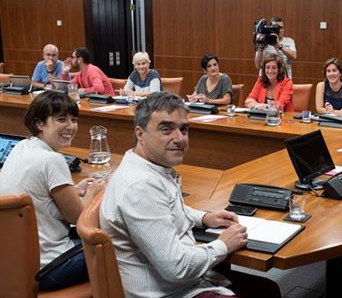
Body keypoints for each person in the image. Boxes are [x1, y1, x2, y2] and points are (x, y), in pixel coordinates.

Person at [100, 92, 280, 297]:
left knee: (267, 290)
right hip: (169, 291)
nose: (179, 139)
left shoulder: (146, 167)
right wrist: (223, 245)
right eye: (166, 129)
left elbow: (164, 207)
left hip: (180, 282)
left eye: (184, 129)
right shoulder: (140, 187)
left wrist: (204, 218)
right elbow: (176, 268)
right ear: (140, 134)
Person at [0, 90, 105, 291]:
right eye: (61, 119)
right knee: (119, 240)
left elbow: (37, 194)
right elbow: (81, 220)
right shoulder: (52, 160)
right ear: (40, 123)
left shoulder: (22, 147)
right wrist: (94, 195)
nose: (71, 126)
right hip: (48, 268)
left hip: (14, 266)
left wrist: (73, 190)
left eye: (74, 120)